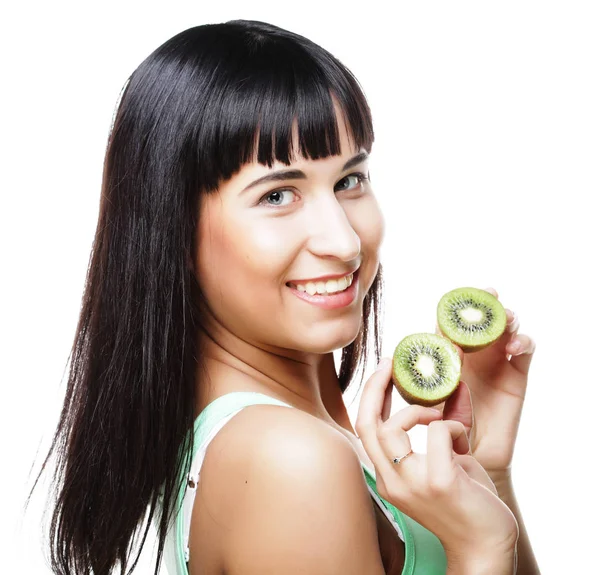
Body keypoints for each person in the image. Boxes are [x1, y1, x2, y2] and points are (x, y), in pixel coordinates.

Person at [30, 19, 540, 575]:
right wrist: (480, 552)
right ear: (171, 227)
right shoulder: (291, 460)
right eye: (277, 195)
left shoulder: (300, 435)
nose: (344, 242)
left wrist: (488, 474)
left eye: (350, 180)